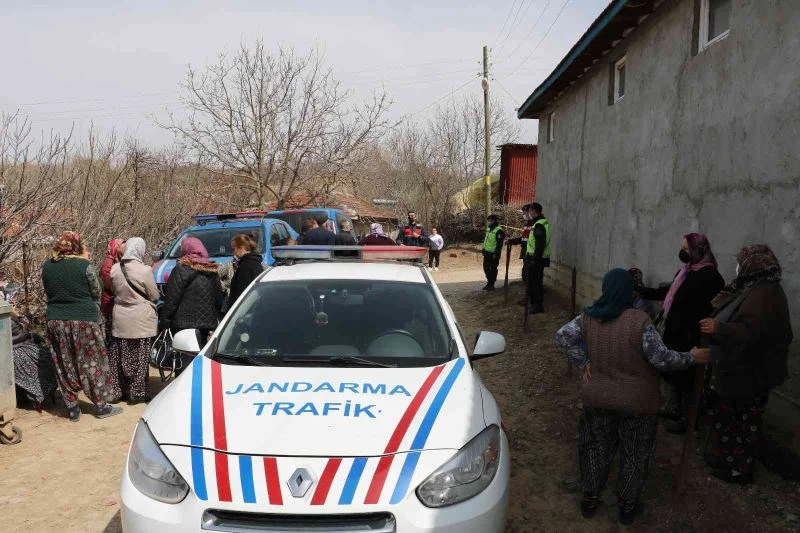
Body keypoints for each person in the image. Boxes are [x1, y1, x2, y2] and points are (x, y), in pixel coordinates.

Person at [555, 268, 710, 525]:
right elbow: (661, 359)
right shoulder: (640, 321)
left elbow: (561, 338)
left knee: (595, 446)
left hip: (597, 398)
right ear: (630, 291)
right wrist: (691, 357)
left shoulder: (589, 317)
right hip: (638, 403)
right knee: (635, 452)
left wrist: (584, 361)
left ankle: (590, 498)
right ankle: (627, 505)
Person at [699, 245, 793, 485]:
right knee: (728, 419)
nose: (738, 267)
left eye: (741, 262)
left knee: (743, 423)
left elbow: (752, 333)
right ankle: (727, 459)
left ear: (754, 265)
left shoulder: (766, 295)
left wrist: (719, 329)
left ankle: (739, 470)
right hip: (738, 372)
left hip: (751, 376)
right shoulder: (752, 288)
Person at [638, 233, 725, 433]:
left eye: (686, 249)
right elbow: (670, 293)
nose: (682, 253)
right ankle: (675, 409)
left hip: (691, 335)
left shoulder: (710, 276)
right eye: (682, 248)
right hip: (675, 331)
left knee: (689, 378)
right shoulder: (686, 271)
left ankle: (689, 420)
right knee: (675, 372)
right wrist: (644, 291)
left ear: (699, 250)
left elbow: (712, 308)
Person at [42, 231, 122, 421]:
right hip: (84, 321)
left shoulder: (46, 266)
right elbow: (96, 290)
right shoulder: (84, 266)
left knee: (63, 363)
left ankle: (72, 408)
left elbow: (49, 291)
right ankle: (101, 406)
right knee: (93, 362)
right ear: (77, 246)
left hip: (56, 321)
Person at [160, 238, 224, 370]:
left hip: (183, 325)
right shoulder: (212, 271)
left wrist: (165, 321)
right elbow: (218, 299)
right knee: (203, 363)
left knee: (184, 365)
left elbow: (172, 299)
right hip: (207, 325)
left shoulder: (181, 269)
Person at [109, 237, 159, 404]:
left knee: (120, 356)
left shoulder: (115, 269)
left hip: (121, 318)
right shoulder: (145, 270)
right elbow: (154, 295)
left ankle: (119, 390)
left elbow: (112, 290)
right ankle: (137, 392)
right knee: (141, 356)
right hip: (141, 319)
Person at [11, 307, 57, 412]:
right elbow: (23, 330)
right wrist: (17, 314)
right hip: (19, 350)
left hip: (13, 351)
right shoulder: (6, 319)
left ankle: (29, 396)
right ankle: (38, 395)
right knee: (43, 357)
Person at [525, 202, 551, 313]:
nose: (528, 213)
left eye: (530, 211)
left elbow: (540, 245)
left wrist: (534, 260)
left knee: (535, 283)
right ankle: (534, 303)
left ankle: (537, 306)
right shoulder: (539, 223)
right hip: (535, 258)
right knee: (533, 282)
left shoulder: (539, 225)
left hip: (536, 259)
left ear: (534, 211)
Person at [227, 234, 264, 309]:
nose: (233, 253)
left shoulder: (245, 266)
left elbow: (241, 292)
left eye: (234, 249)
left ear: (241, 248)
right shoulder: (255, 262)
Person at [482, 215, 505, 291]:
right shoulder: (489, 228)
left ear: (494, 221)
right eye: (488, 220)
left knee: (492, 269)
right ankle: (489, 282)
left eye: (490, 221)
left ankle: (491, 284)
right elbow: (486, 239)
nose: (488, 222)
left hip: (493, 254)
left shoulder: (499, 231)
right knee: (486, 268)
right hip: (487, 253)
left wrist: (496, 253)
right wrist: (483, 248)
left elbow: (499, 244)